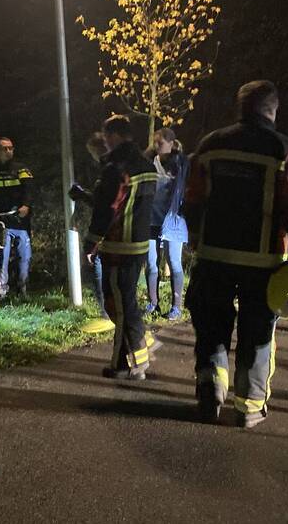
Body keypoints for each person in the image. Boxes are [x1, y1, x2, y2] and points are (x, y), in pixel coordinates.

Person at [182, 80, 288, 428]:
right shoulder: (286, 149)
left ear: (239, 106)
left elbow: (193, 198)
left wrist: (195, 237)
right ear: (273, 109)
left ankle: (210, 389)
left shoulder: (211, 144)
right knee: (257, 332)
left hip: (214, 255)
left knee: (211, 324)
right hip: (264, 261)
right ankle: (249, 407)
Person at [84, 115, 158, 380]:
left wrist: (91, 242)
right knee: (126, 302)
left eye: (105, 138)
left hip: (119, 246)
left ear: (113, 136)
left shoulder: (117, 168)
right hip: (139, 245)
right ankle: (137, 355)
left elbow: (107, 209)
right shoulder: (147, 165)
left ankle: (126, 363)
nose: (105, 143)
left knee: (118, 303)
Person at [143, 128, 190, 321]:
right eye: (155, 142)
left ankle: (176, 307)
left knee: (174, 262)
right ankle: (152, 303)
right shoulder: (150, 162)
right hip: (152, 219)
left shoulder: (179, 164)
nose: (156, 146)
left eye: (160, 143)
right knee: (151, 263)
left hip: (172, 220)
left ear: (171, 143)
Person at [0, 137, 34, 296]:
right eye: (5, 148)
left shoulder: (21, 169)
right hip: (0, 221)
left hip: (19, 220)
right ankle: (1, 289)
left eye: (11, 148)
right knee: (1, 257)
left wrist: (26, 206)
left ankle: (22, 287)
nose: (9, 151)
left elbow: (29, 189)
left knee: (24, 256)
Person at [70, 132, 109, 317]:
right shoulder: (115, 168)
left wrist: (82, 194)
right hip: (116, 231)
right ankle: (108, 309)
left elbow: (102, 204)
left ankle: (105, 310)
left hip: (104, 231)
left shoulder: (108, 170)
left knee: (99, 265)